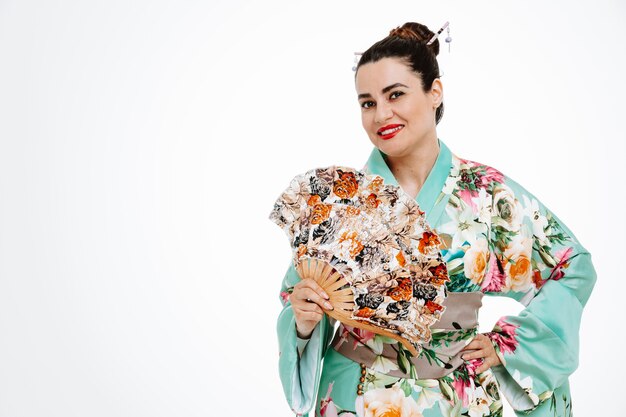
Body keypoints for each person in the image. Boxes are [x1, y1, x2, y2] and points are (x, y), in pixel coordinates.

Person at [271, 22, 596, 417]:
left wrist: (509, 345)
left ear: (434, 92)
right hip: (354, 395)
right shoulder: (343, 201)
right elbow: (296, 298)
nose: (381, 114)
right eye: (368, 103)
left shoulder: (486, 193)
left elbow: (569, 265)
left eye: (396, 95)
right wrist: (303, 320)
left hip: (459, 397)